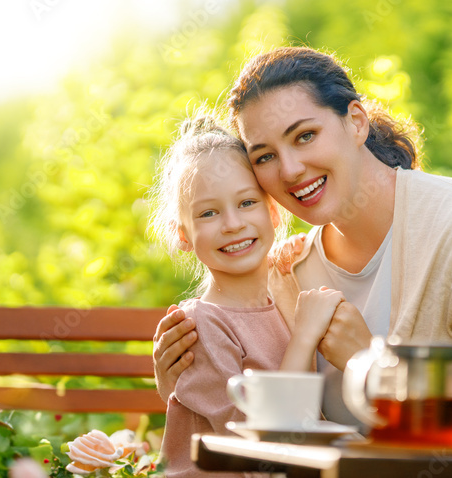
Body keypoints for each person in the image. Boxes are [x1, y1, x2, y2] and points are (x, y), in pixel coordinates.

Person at [153, 46, 452, 425]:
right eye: (265, 156)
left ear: (357, 122)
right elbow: (264, 418)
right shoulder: (290, 272)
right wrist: (181, 381)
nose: (290, 169)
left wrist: (373, 365)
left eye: (305, 136)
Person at [148, 114, 346, 477]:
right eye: (208, 213)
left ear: (273, 211)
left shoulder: (282, 297)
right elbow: (260, 455)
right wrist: (305, 336)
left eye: (247, 203)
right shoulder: (200, 326)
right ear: (183, 236)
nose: (233, 224)